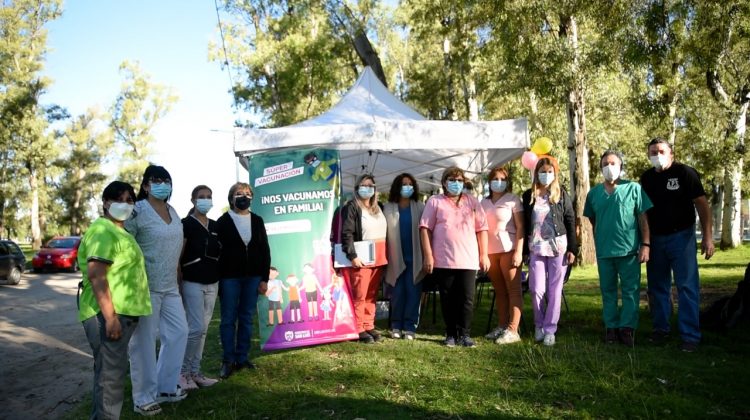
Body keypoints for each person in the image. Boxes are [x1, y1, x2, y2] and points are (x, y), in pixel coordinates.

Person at [78, 181, 152, 419]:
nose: (126, 204)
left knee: (107, 376)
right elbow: (97, 274)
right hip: (108, 314)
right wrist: (110, 318)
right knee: (110, 379)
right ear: (106, 203)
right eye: (120, 200)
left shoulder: (121, 231)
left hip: (122, 313)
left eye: (130, 200)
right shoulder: (103, 230)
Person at [640, 137, 714, 352]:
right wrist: (645, 242)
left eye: (661, 151)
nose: (657, 155)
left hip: (682, 237)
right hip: (655, 240)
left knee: (687, 286)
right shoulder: (646, 178)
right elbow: (643, 211)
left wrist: (707, 237)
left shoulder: (685, 173)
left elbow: (702, 204)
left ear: (671, 153)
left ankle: (690, 335)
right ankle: (660, 329)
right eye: (653, 152)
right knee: (657, 287)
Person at [126, 165, 189, 415]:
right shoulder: (137, 211)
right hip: (146, 287)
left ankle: (165, 387)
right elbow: (124, 244)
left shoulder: (172, 210)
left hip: (170, 286)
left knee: (179, 332)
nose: (162, 184)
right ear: (145, 185)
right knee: (143, 343)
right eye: (156, 180)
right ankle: (142, 397)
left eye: (166, 180)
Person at [584, 151, 652, 347]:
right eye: (605, 164)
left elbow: (642, 218)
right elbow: (593, 218)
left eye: (613, 163)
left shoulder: (634, 188)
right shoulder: (594, 194)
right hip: (605, 252)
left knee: (631, 291)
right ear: (600, 168)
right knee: (608, 291)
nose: (609, 167)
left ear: (621, 166)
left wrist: (645, 244)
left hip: (629, 251)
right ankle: (611, 328)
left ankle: (627, 328)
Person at [420, 166, 490, 348]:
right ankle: (450, 333)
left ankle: (465, 334)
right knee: (447, 297)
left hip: (468, 259)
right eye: (452, 180)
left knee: (467, 298)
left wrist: (484, 254)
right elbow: (425, 229)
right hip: (444, 259)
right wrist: (428, 255)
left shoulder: (473, 202)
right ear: (444, 182)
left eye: (459, 180)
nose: (456, 183)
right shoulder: (435, 202)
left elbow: (482, 229)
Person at [216, 182, 271, 378]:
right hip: (229, 278)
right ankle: (228, 360)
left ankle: (242, 357)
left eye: (247, 194)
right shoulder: (221, 222)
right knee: (228, 319)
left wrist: (264, 278)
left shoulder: (257, 220)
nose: (244, 196)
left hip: (253, 277)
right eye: (239, 193)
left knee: (246, 318)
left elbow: (265, 250)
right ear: (231, 198)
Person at [521, 156, 576, 347]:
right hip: (535, 246)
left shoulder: (561, 194)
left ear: (555, 174)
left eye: (549, 172)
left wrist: (572, 248)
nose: (546, 175)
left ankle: (550, 329)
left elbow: (570, 220)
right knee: (536, 288)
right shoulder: (528, 195)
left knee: (555, 290)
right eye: (542, 172)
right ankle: (539, 325)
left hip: (558, 247)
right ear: (536, 173)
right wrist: (523, 252)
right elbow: (525, 224)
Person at [178, 185, 221, 390]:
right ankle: (182, 373)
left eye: (209, 197)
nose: (206, 200)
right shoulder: (185, 224)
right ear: (193, 200)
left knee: (203, 330)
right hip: (192, 282)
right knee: (194, 329)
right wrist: (178, 283)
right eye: (201, 197)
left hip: (212, 282)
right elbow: (178, 255)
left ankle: (196, 372)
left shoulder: (214, 225)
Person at [340, 174, 388, 344]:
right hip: (361, 257)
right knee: (359, 294)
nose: (367, 188)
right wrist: (352, 255)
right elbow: (346, 233)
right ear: (357, 188)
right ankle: (358, 327)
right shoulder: (351, 207)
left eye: (370, 185)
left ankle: (368, 324)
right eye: (363, 185)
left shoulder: (379, 207)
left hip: (379, 257)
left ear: (375, 189)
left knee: (371, 294)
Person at [481, 166, 525, 345]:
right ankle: (502, 325)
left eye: (502, 179)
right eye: (495, 178)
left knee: (513, 290)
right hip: (491, 252)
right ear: (489, 181)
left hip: (509, 249)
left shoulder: (513, 200)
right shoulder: (483, 202)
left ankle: (513, 329)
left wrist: (519, 251)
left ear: (507, 182)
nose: (498, 182)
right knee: (499, 291)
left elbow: (521, 227)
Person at [383, 173, 425, 340]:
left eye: (410, 184)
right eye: (403, 184)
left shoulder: (420, 207)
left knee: (413, 293)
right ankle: (396, 325)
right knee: (397, 293)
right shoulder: (387, 208)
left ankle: (410, 326)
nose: (407, 187)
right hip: (395, 259)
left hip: (415, 258)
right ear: (396, 187)